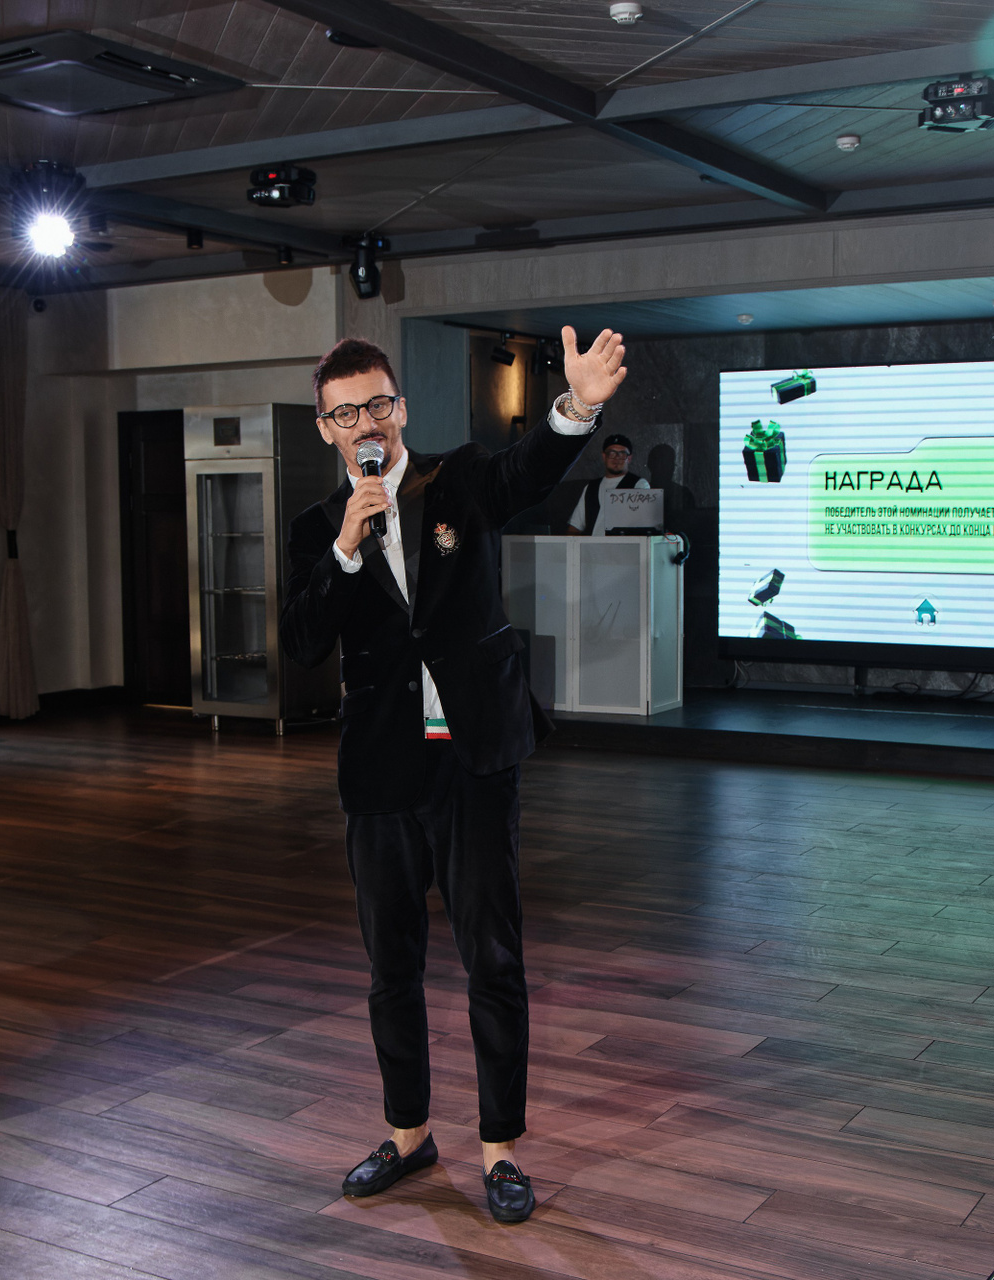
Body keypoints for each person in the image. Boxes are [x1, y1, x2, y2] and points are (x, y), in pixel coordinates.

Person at [280, 327, 628, 1224]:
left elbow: (528, 470)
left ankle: (501, 1149)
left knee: (492, 960)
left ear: (400, 409)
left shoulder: (457, 481)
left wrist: (576, 406)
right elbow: (304, 641)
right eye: (347, 413)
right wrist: (347, 549)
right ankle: (407, 1135)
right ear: (326, 429)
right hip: (381, 772)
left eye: (378, 405)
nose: (367, 423)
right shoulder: (318, 529)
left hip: (471, 760)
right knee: (390, 966)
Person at [561, 434, 648, 535]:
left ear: (629, 458)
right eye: (612, 453)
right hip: (592, 545)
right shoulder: (591, 487)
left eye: (622, 454)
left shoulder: (639, 485)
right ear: (604, 456)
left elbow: (642, 525)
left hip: (623, 545)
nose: (616, 458)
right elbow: (575, 527)